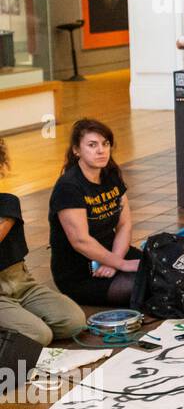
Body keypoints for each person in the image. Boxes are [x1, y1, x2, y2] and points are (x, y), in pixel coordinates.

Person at [48, 119, 141, 306]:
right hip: (80, 272)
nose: (101, 150)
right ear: (77, 150)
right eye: (92, 145)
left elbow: (124, 225)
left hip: (114, 254)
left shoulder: (111, 175)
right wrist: (120, 264)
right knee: (141, 287)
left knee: (164, 270)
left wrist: (115, 260)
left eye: (105, 144)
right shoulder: (69, 187)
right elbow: (80, 241)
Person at [0, 139, 85, 345]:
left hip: (22, 284)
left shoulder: (7, 202)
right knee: (39, 336)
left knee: (74, 323)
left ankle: (16, 320)